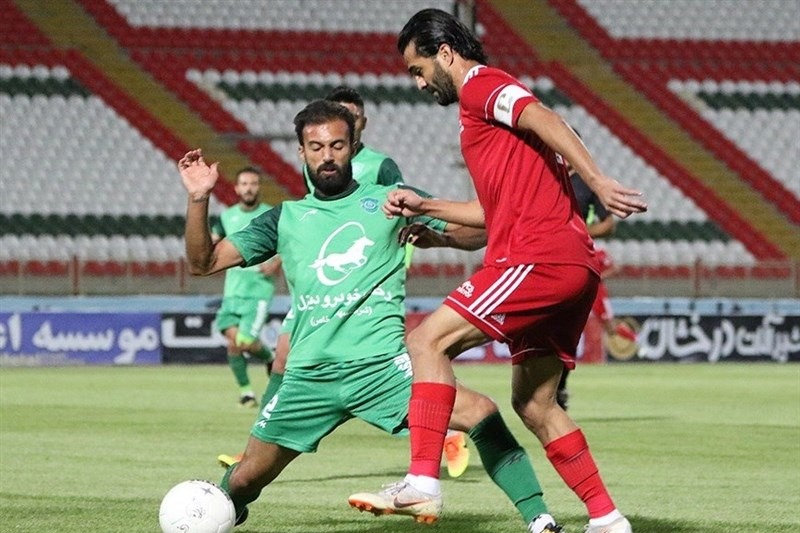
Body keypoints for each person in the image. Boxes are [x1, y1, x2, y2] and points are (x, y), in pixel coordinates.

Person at [180, 100, 564, 533]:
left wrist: (439, 233)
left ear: (352, 146)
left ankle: (541, 520)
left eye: (337, 145)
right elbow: (203, 262)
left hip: (383, 369)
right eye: (316, 147)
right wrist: (199, 198)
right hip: (309, 376)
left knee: (481, 412)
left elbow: (479, 229)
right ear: (301, 152)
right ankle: (211, 514)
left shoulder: (391, 200)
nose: (327, 156)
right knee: (245, 478)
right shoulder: (284, 218)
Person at [351, 9, 647, 533]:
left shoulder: (480, 86)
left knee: (426, 342)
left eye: (418, 69)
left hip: (538, 258)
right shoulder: (485, 119)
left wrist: (598, 181)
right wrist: (430, 215)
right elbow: (492, 215)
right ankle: (607, 518)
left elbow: (544, 117)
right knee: (535, 404)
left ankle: (422, 480)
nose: (418, 83)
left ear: (445, 53)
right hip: (571, 264)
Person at [216, 85, 471, 478]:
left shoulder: (380, 166)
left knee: (382, 368)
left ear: (359, 125)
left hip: (368, 277)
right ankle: (256, 450)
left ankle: (450, 427)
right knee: (284, 355)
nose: (329, 148)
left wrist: (401, 258)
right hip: (320, 286)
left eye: (350, 116)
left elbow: (400, 211)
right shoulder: (322, 160)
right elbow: (314, 220)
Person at [211, 167, 280, 407]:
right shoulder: (226, 217)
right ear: (237, 188)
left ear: (259, 187)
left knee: (244, 342)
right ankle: (247, 393)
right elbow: (213, 243)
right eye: (244, 184)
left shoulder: (271, 214)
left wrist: (276, 262)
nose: (249, 188)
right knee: (234, 343)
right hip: (232, 292)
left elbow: (290, 243)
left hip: (258, 292)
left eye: (253, 183)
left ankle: (270, 357)